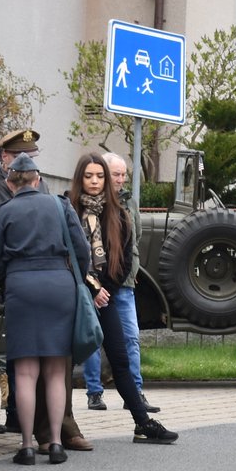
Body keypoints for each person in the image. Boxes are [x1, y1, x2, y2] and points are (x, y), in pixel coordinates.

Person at [66, 150, 176, 444]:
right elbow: (68, 257)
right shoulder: (68, 211)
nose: (94, 181)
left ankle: (142, 423)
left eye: (99, 176)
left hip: (107, 295)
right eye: (88, 176)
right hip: (73, 295)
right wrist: (90, 289)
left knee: (120, 357)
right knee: (61, 362)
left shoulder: (119, 215)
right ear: (80, 178)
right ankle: (61, 425)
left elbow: (124, 261)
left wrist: (104, 291)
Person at [0, 154, 90, 464]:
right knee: (56, 372)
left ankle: (27, 446)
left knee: (24, 372)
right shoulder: (61, 206)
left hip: (22, 286)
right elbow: (82, 250)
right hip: (59, 287)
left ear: (10, 183)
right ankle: (57, 443)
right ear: (37, 179)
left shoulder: (5, 211)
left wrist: (11, 282)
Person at [83, 152, 152, 413]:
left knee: (130, 339)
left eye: (124, 174)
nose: (120, 179)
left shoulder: (128, 204)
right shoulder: (84, 207)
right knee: (91, 339)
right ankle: (94, 392)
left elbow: (134, 238)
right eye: (115, 174)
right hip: (92, 285)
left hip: (122, 283)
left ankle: (135, 394)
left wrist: (120, 278)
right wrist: (95, 288)